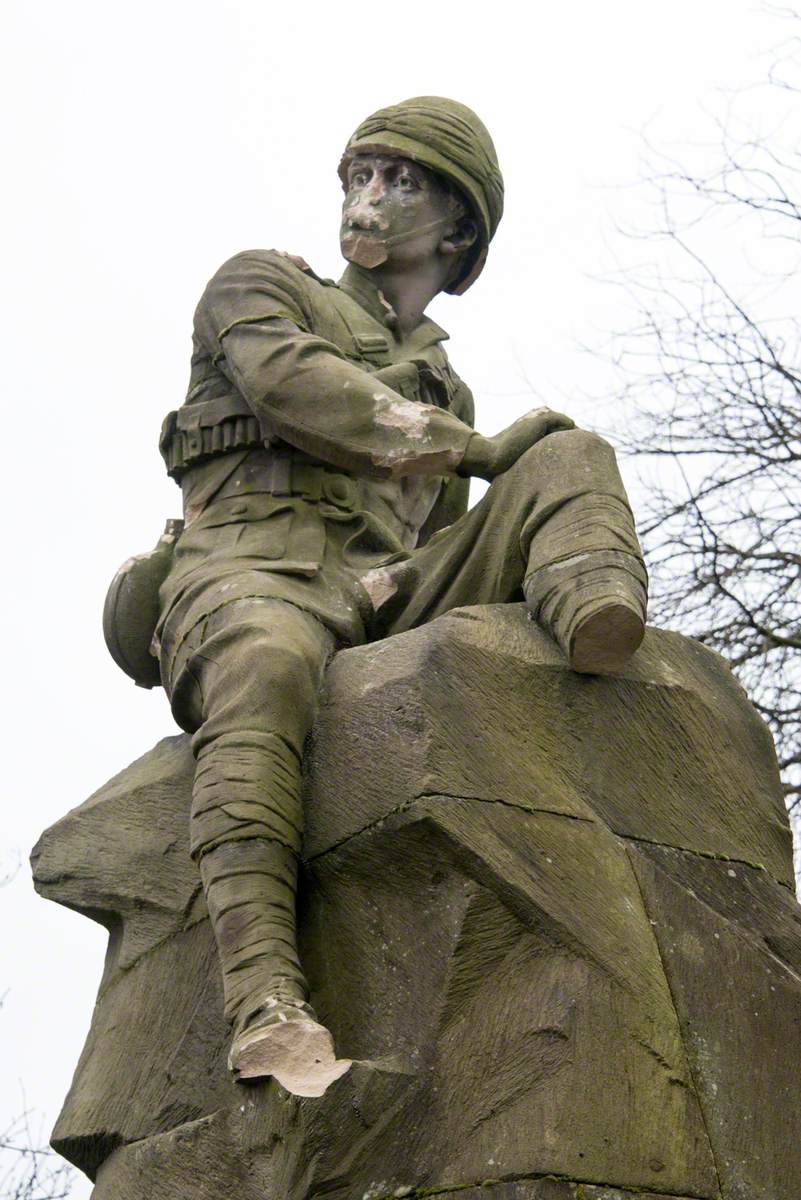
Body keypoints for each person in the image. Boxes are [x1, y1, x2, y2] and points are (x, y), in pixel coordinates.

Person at [152, 96, 647, 1097]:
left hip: (380, 594)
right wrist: (468, 447)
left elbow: (426, 531)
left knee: (566, 457)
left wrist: (502, 479)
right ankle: (265, 1004)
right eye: (358, 177)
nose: (369, 199)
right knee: (267, 663)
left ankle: (595, 625)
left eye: (400, 180)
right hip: (252, 577)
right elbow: (295, 388)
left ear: (458, 226)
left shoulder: (446, 382)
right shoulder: (258, 286)